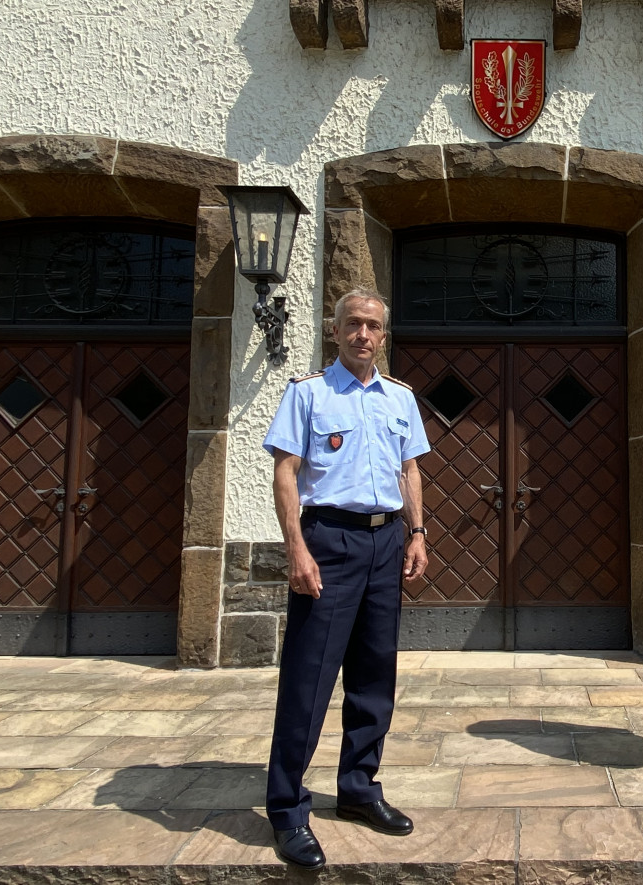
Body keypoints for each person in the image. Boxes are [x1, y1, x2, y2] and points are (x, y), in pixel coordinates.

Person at [262, 288, 430, 869]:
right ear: (335, 331)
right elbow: (286, 473)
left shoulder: (401, 399)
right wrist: (296, 548)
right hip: (328, 542)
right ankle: (287, 810)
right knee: (309, 680)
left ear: (384, 335)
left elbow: (408, 468)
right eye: (353, 324)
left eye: (374, 326)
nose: (364, 334)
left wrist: (417, 533)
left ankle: (359, 789)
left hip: (387, 541)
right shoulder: (307, 394)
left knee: (373, 675)